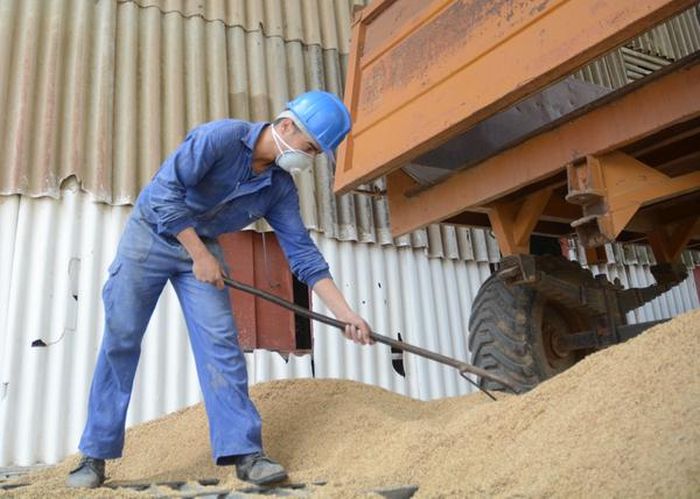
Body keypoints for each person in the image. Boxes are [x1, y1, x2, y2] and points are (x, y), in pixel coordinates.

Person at [66, 91, 372, 488]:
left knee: (221, 342)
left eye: (315, 154)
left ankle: (246, 453)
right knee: (121, 339)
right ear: (285, 126)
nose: (308, 160)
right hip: (152, 234)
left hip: (202, 245)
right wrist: (198, 255)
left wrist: (345, 313)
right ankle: (95, 454)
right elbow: (164, 193)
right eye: (310, 148)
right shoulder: (221, 138)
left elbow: (303, 255)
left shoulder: (277, 188)